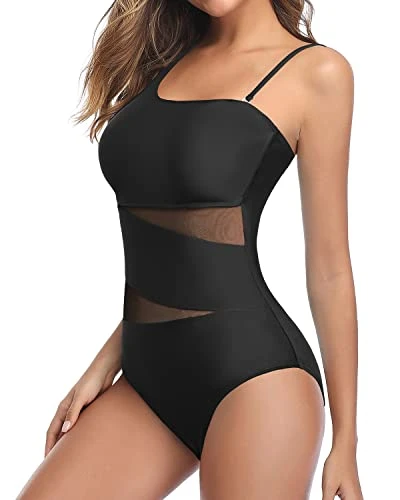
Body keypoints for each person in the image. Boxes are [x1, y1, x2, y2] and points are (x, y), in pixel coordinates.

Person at [17, 1, 363, 499]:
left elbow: (330, 270)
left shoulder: (317, 72)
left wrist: (346, 439)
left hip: (257, 379)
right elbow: (172, 256)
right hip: (146, 377)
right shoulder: (163, 59)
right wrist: (105, 362)